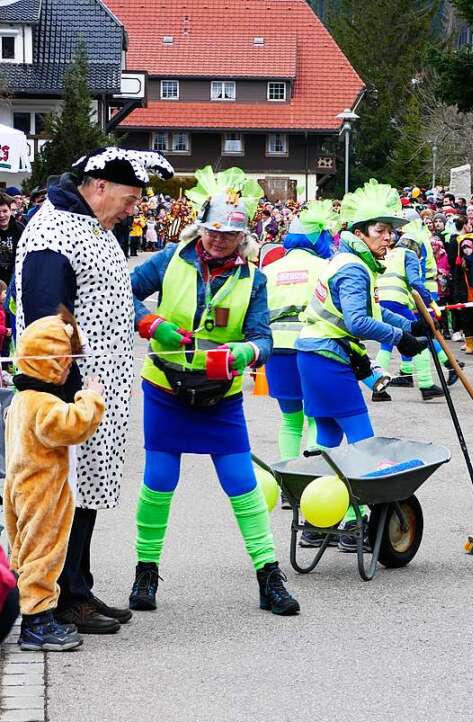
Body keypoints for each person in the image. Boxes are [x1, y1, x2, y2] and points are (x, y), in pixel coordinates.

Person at [15, 147, 173, 634]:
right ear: (99, 186)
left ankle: (77, 587)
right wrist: (72, 386)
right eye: (129, 199)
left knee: (86, 492)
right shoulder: (52, 231)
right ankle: (60, 598)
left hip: (100, 387)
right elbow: (47, 315)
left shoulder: (92, 225)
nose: (133, 209)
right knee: (63, 495)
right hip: (70, 390)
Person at [128, 169, 299, 615]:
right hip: (167, 387)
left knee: (241, 483)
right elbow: (118, 294)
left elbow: (263, 338)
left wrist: (244, 354)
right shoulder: (170, 259)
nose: (221, 239)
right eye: (215, 230)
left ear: (244, 236)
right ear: (201, 226)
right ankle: (146, 572)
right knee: (159, 481)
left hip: (219, 397)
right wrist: (149, 323)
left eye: (232, 233)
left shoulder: (254, 279)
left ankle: (269, 578)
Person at [297, 180, 428, 447]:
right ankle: (363, 488)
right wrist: (401, 339)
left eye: (390, 232)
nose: (388, 238)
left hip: (314, 354)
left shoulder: (352, 261)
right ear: (359, 234)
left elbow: (375, 310)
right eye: (380, 231)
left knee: (329, 435)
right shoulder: (354, 268)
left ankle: (305, 485)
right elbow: (358, 322)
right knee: (363, 440)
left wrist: (411, 327)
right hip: (326, 356)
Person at [5, 311, 105, 650]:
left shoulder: (21, 400)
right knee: (43, 556)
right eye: (64, 364)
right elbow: (75, 425)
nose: (68, 371)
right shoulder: (45, 405)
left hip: (19, 489)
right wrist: (90, 397)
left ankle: (31, 614)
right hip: (43, 493)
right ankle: (38, 624)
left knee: (26, 552)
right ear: (50, 364)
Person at [263, 201, 339, 459]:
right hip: (314, 349)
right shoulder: (326, 268)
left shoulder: (268, 271)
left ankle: (288, 483)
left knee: (289, 420)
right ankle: (313, 481)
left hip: (277, 351)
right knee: (317, 418)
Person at [375, 218, 457, 400]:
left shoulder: (389, 253)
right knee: (421, 338)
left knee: (386, 344)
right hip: (396, 302)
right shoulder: (408, 255)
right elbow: (414, 281)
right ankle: (427, 385)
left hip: (381, 302)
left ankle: (377, 388)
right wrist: (431, 302)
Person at [0, 193, 24, 285]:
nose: (1, 215)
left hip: (14, 279)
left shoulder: (19, 228)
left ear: (10, 211)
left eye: (5, 211)